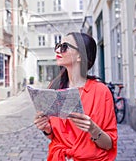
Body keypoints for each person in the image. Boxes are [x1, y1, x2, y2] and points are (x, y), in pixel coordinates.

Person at [34, 32, 117, 160]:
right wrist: (46, 128)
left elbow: (109, 145)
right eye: (58, 45)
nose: (57, 50)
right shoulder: (54, 87)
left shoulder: (101, 91)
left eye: (64, 47)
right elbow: (54, 136)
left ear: (80, 56)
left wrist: (92, 128)